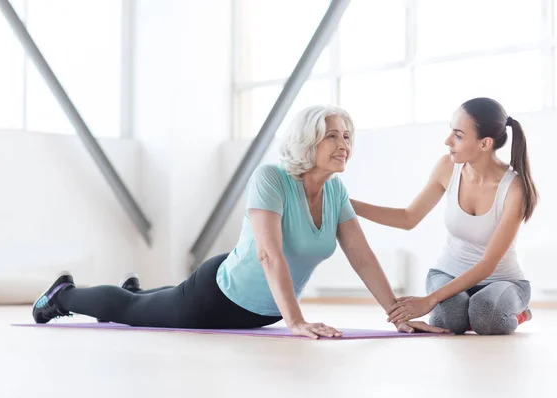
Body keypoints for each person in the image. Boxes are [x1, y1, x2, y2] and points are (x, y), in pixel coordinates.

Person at [31, 105, 448, 339]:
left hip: (262, 312)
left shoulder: (336, 192)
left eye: (347, 136)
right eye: (332, 135)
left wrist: (397, 314)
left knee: (152, 298)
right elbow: (268, 254)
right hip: (216, 297)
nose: (344, 144)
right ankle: (62, 296)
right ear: (308, 142)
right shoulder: (271, 179)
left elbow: (363, 258)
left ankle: (139, 289)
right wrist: (296, 321)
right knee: (132, 310)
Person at [352, 97, 537, 335]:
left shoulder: (514, 188)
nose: (448, 141)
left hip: (501, 281)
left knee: (487, 317)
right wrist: (348, 205)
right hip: (448, 273)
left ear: (485, 143)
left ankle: (519, 311)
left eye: (458, 135)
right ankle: (468, 312)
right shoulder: (448, 168)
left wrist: (429, 300)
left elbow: (487, 264)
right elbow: (408, 218)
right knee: (448, 320)